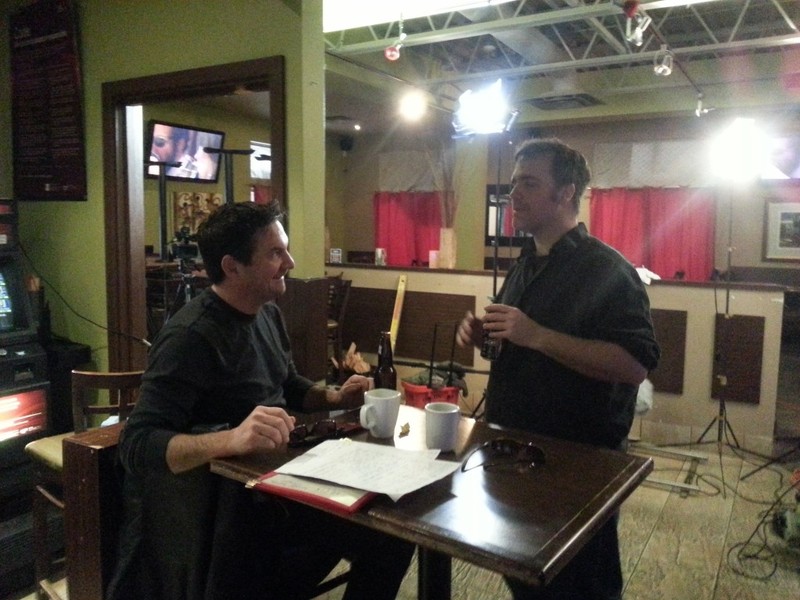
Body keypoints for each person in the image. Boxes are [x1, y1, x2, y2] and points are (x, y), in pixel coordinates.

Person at [107, 200, 414, 600]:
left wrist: (335, 395)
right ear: (232, 266)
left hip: (280, 487)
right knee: (380, 534)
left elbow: (288, 383)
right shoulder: (190, 337)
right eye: (275, 253)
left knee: (393, 531)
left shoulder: (267, 313)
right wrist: (232, 438)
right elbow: (137, 444)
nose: (290, 262)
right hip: (229, 518)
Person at [457, 138, 660, 600]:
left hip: (578, 463)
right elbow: (512, 348)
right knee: (526, 576)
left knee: (582, 586)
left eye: (529, 183)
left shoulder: (608, 270)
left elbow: (634, 365)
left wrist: (536, 335)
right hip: (512, 451)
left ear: (566, 192)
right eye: (513, 183)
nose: (514, 194)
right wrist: (484, 336)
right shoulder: (524, 265)